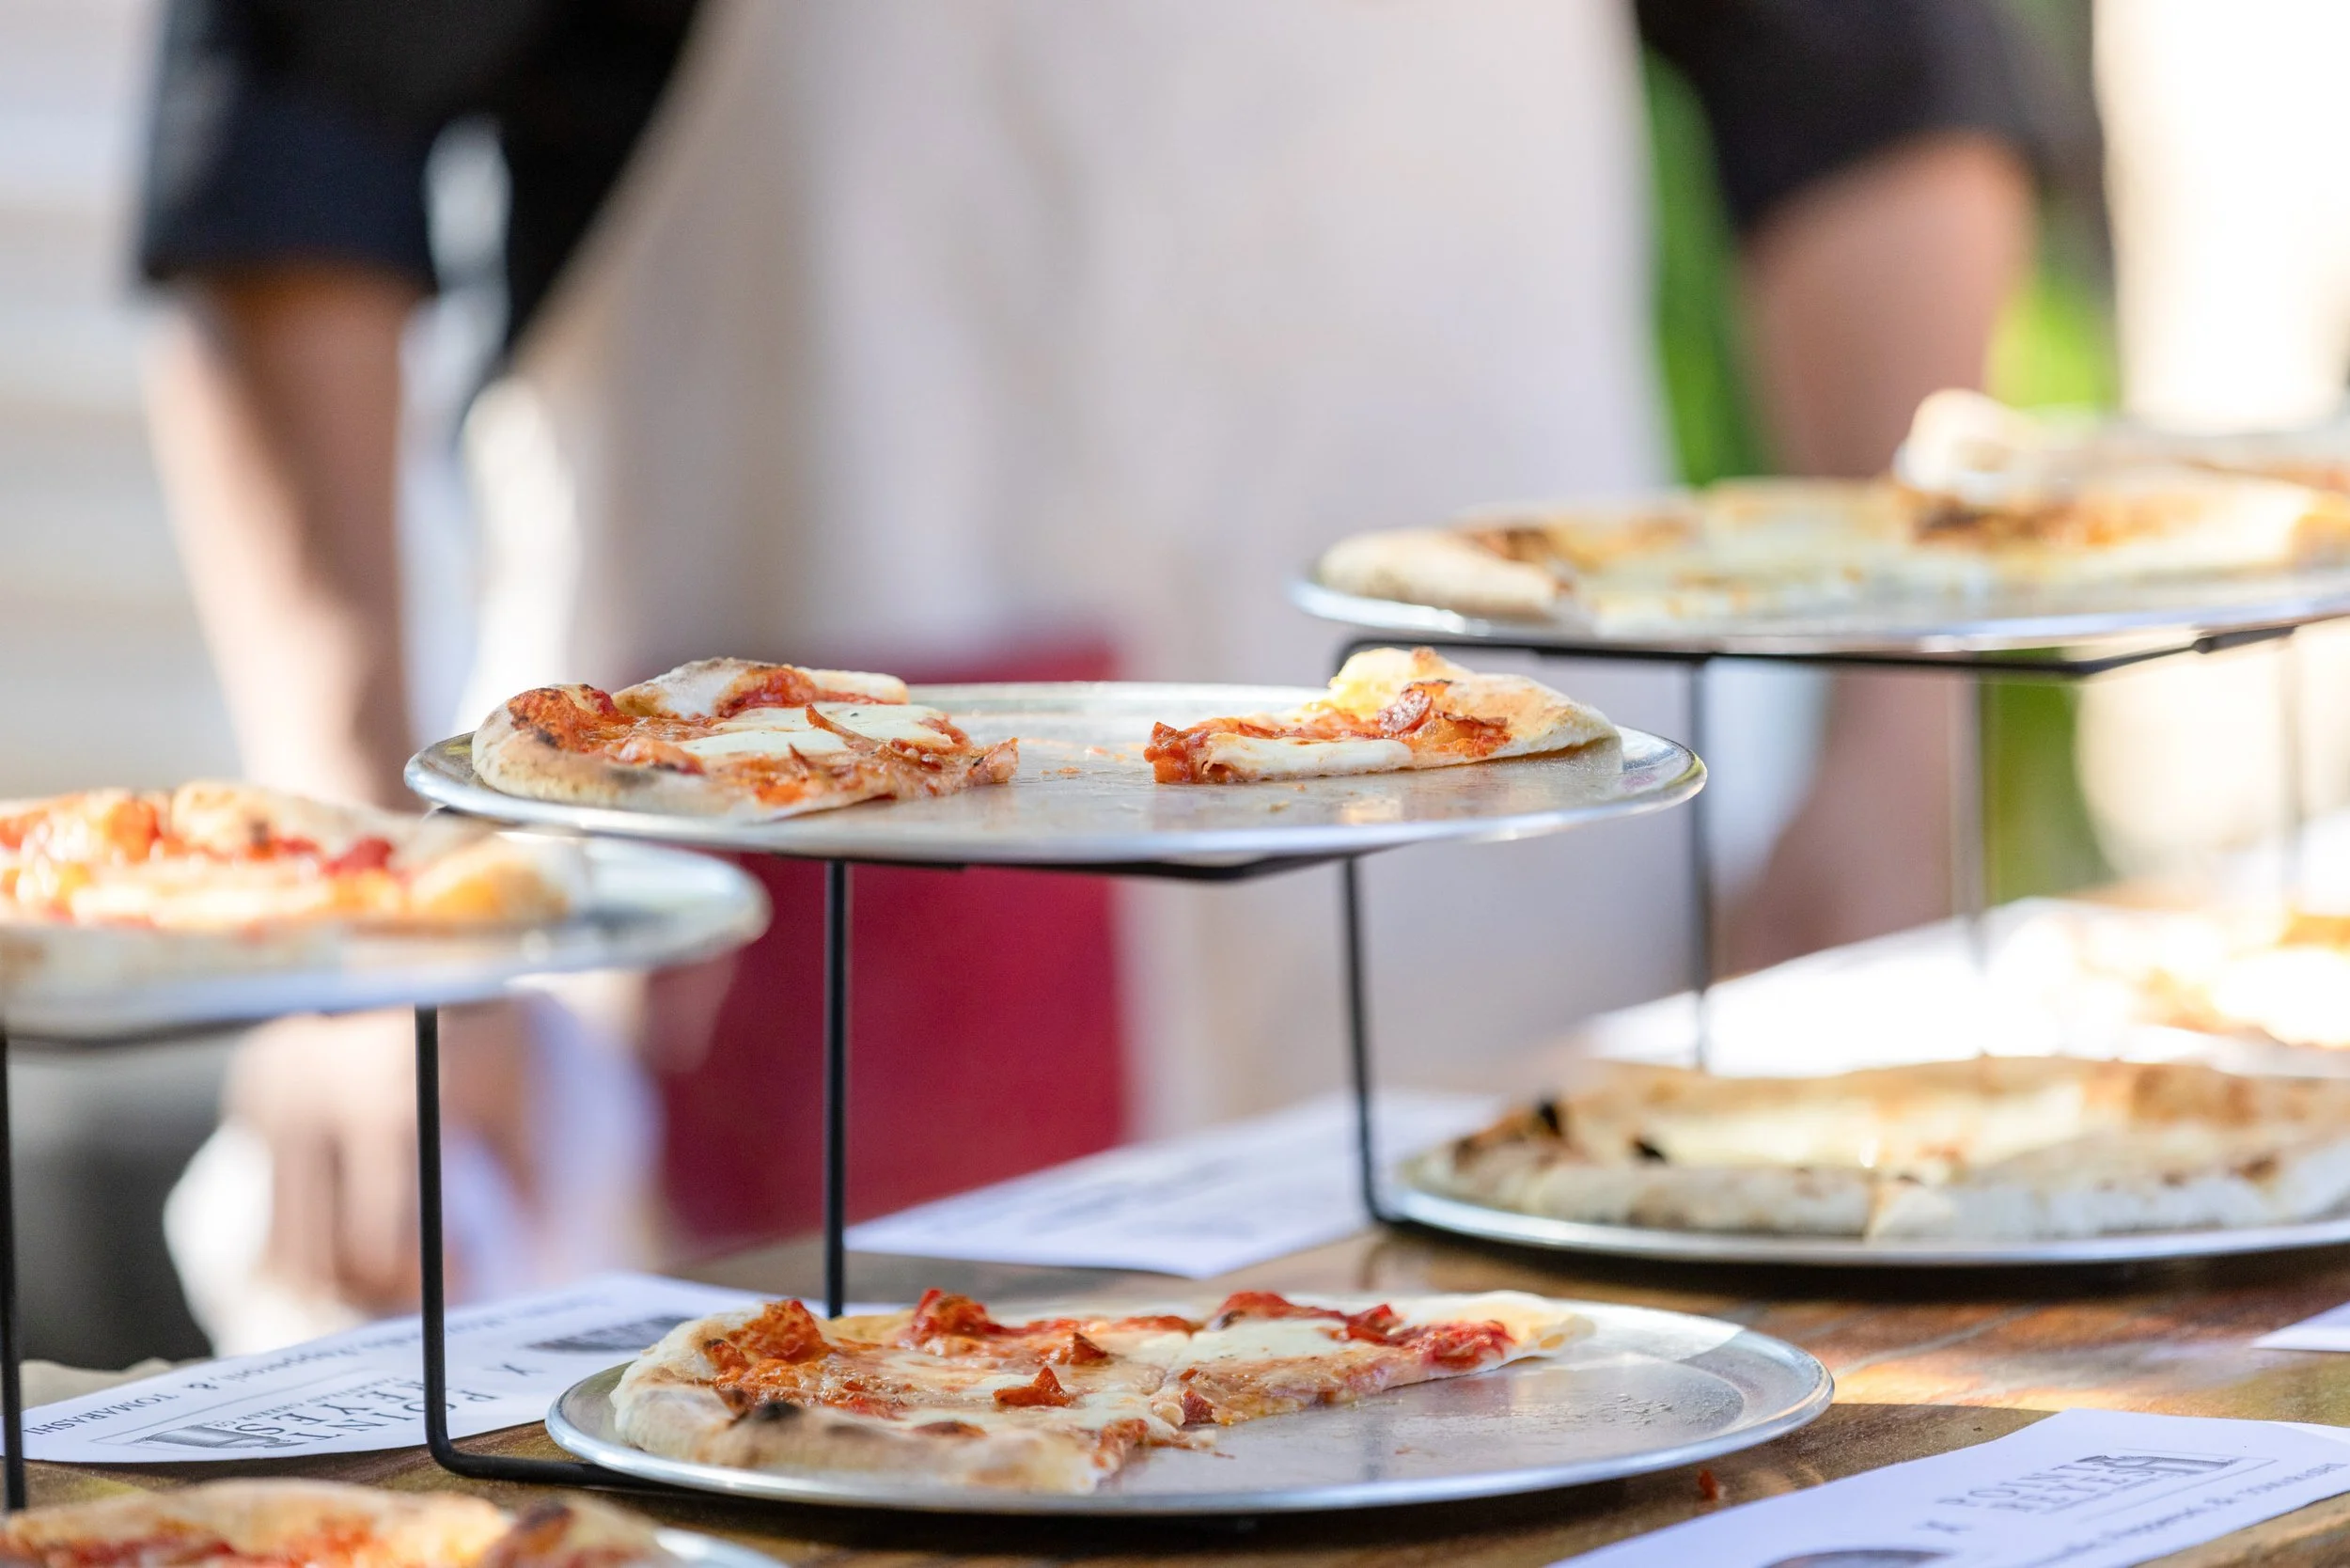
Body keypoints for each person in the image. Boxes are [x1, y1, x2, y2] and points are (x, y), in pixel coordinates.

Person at [139, 0, 2041, 1339]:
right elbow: (293, 153)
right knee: (857, 1439)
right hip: (829, 808)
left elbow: (1869, 92)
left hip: (1500, 885)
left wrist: (1891, 738)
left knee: (1524, 1426)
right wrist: (375, 885)